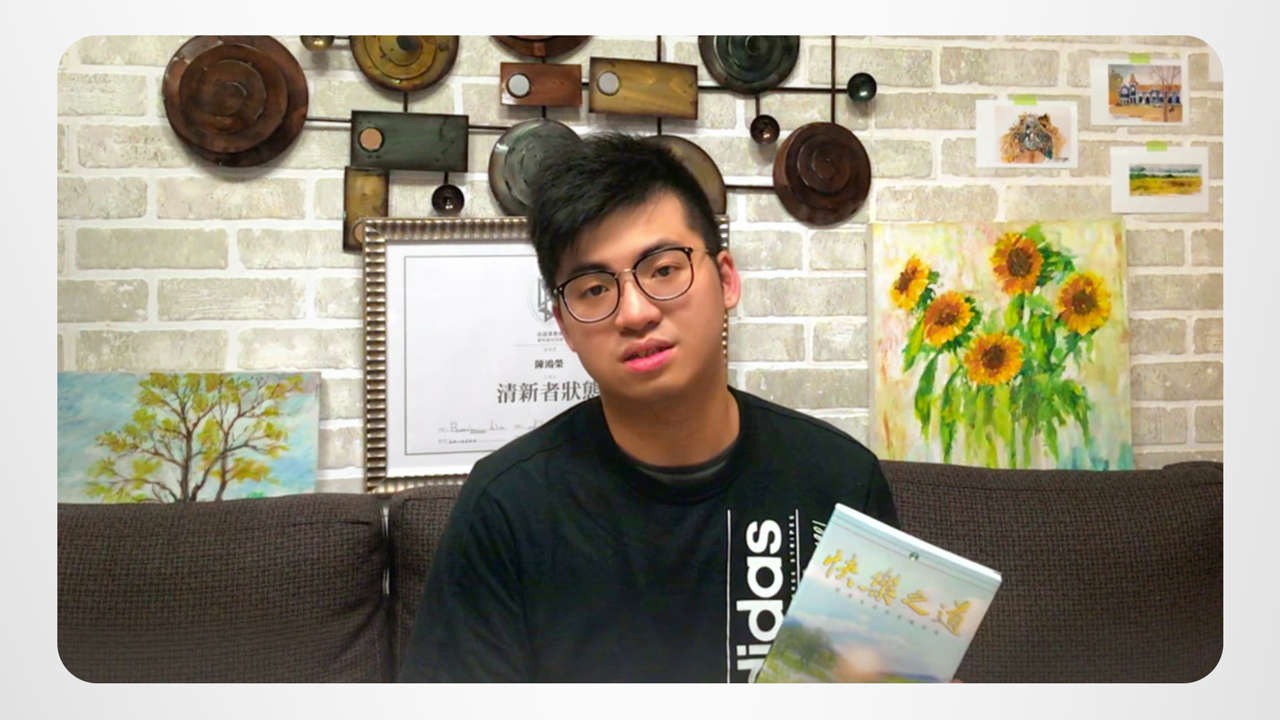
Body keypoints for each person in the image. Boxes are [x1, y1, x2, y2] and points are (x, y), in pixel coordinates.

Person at [398, 132, 898, 683]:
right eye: (594, 288)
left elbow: (881, 683)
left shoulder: (839, 481)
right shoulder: (506, 506)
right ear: (564, 325)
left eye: (663, 269)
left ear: (726, 280)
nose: (634, 313)